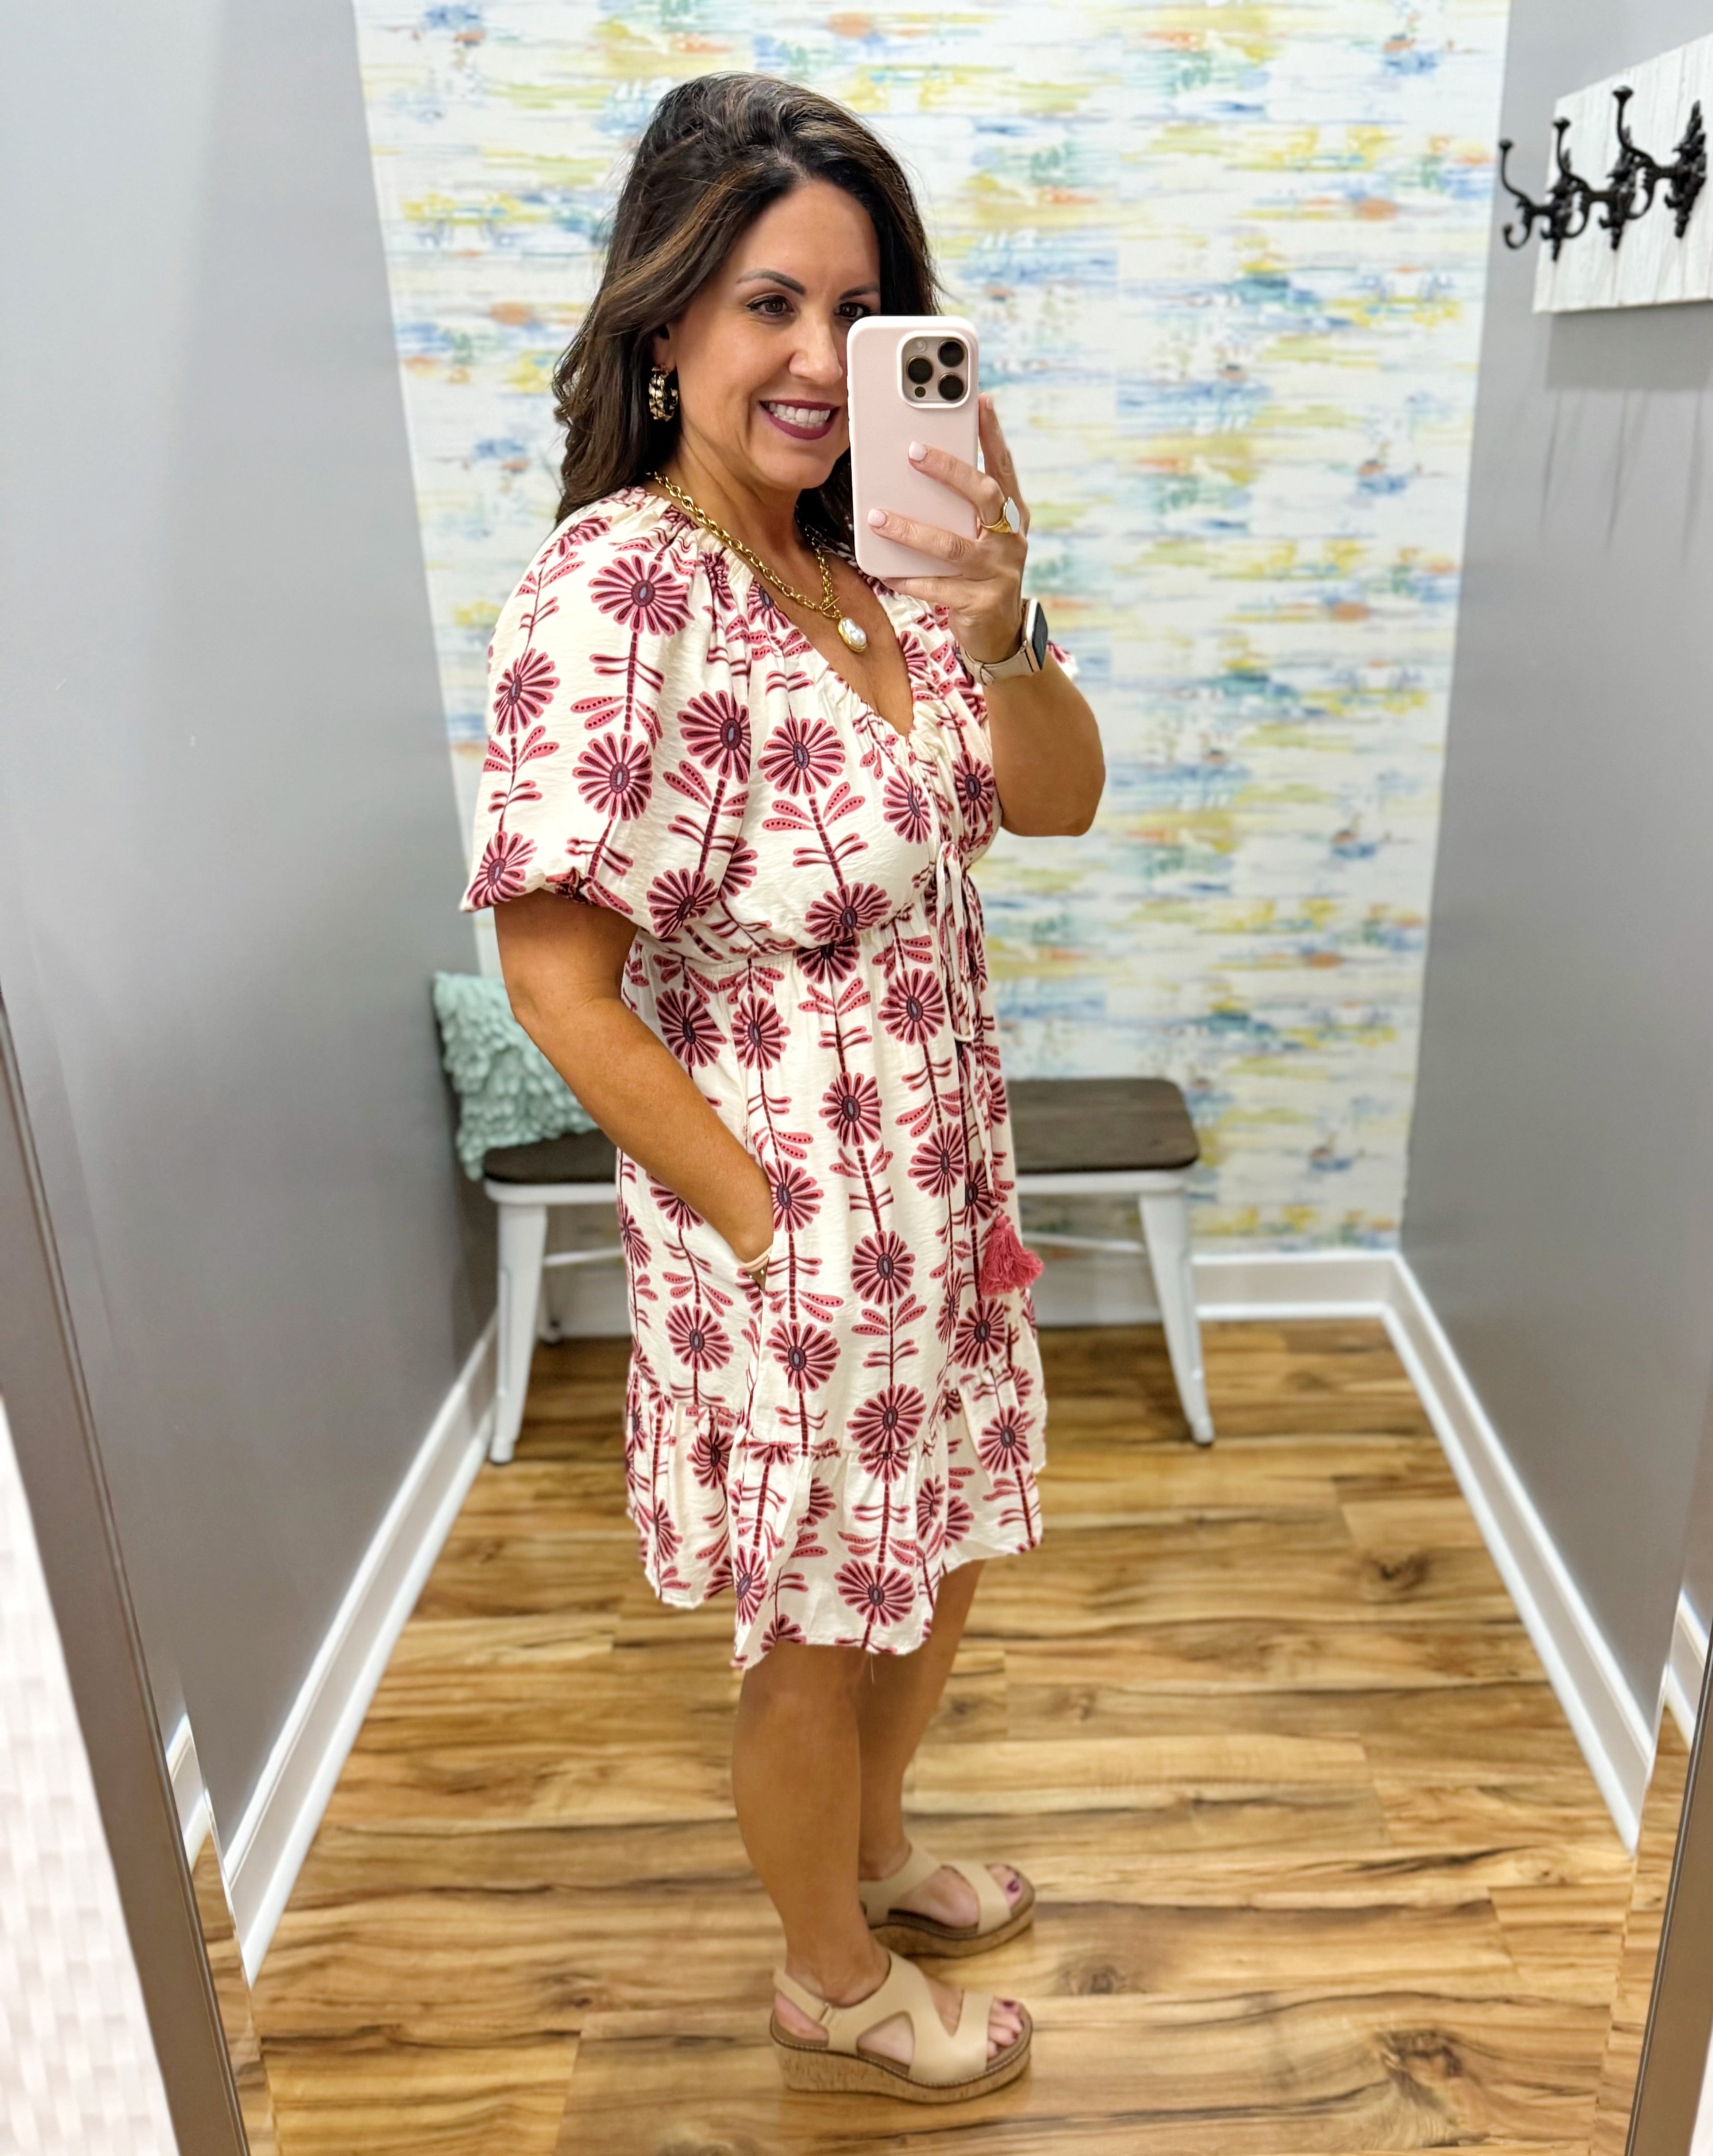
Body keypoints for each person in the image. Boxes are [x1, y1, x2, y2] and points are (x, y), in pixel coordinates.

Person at [462, 72, 1105, 2105]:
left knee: (935, 1550)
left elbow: (1059, 804)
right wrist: (762, 1223)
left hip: (943, 1196)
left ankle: (879, 1854)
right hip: (795, 1231)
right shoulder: (618, 592)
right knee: (811, 1630)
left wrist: (1009, 629)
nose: (820, 362)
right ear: (665, 328)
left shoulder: (897, 573)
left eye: (859, 311)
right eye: (765, 305)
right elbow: (553, 978)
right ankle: (827, 1971)